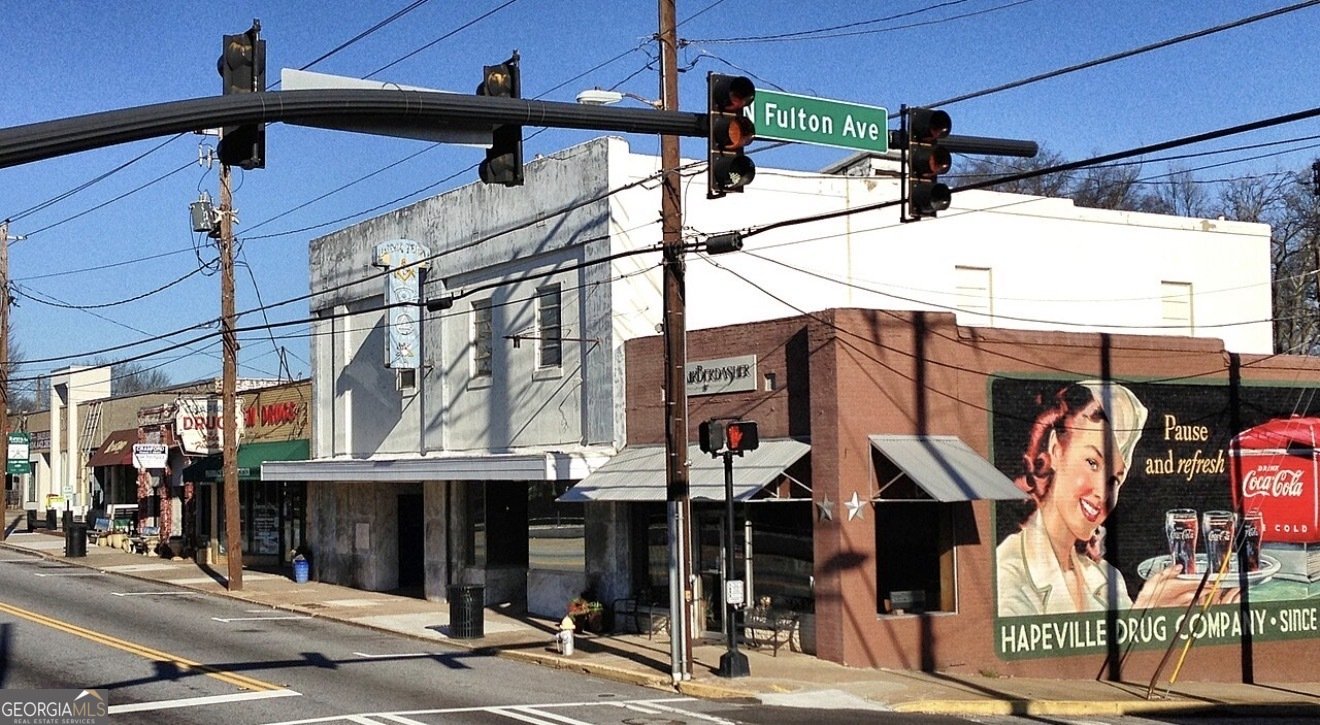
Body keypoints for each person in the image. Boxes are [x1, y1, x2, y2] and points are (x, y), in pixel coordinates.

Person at [996, 380, 1230, 616]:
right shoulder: (1007, 575)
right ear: (1056, 451)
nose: (1103, 492)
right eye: (1092, 463)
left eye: (1115, 479)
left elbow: (1138, 640)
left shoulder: (1106, 578)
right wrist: (1146, 613)